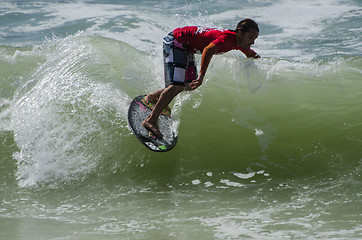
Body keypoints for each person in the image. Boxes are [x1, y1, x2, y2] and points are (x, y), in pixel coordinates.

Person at [143, 18, 260, 139]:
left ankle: (152, 98)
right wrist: (201, 75)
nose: (253, 42)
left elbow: (250, 53)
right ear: (240, 33)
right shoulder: (227, 39)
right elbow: (208, 50)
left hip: (186, 47)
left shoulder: (238, 42)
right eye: (250, 37)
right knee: (177, 85)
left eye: (255, 39)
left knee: (188, 85)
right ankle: (151, 120)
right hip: (176, 41)